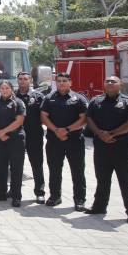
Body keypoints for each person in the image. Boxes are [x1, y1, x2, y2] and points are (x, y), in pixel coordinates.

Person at [85, 76, 128, 225]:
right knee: (102, 179)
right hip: (102, 148)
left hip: (122, 148)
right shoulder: (96, 101)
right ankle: (99, 207)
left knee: (126, 180)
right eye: (107, 81)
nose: (109, 83)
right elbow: (89, 119)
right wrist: (100, 133)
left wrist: (112, 134)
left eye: (113, 81)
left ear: (120, 85)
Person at [40, 72, 88, 211]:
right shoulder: (49, 98)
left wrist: (66, 130)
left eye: (64, 81)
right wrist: (56, 130)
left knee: (78, 171)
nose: (61, 83)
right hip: (54, 140)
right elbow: (43, 116)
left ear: (70, 82)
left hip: (74, 140)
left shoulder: (79, 98)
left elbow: (84, 119)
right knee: (54, 170)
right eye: (59, 81)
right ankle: (55, 196)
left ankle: (79, 200)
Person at [0, 80, 26, 207]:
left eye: (7, 88)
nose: (4, 90)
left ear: (11, 89)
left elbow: (19, 121)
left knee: (16, 169)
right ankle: (1, 193)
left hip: (15, 140)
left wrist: (3, 132)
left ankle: (16, 196)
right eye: (2, 88)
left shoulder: (18, 102)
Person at [16, 72, 46, 204]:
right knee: (16, 164)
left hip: (34, 135)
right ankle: (14, 191)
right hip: (16, 135)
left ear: (31, 80)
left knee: (37, 164)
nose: (23, 81)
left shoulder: (38, 97)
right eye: (20, 79)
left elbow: (44, 116)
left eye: (25, 79)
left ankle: (40, 192)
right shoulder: (12, 95)